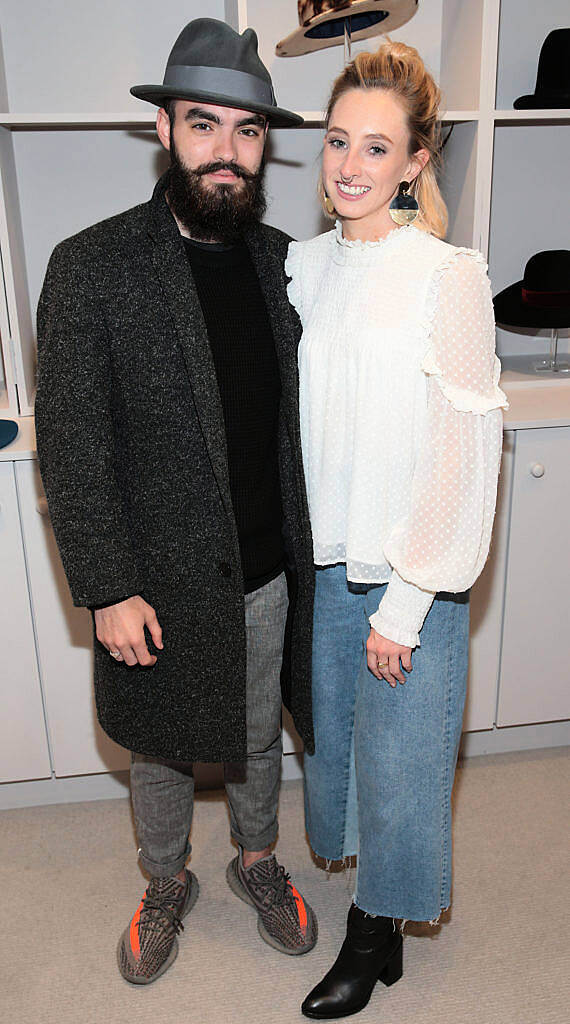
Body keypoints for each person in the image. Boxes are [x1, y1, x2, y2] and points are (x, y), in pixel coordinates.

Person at [35, 18, 318, 986]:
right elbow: (71, 446)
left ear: (264, 144)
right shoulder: (90, 268)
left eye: (247, 133)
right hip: (151, 581)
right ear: (165, 132)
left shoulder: (289, 264)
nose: (226, 153)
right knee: (157, 750)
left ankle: (256, 860)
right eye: (205, 126)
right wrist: (107, 586)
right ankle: (165, 882)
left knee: (254, 734)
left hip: (269, 564)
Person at [285, 40, 508, 1020]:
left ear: (416, 162)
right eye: (338, 142)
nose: (350, 167)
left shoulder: (446, 274)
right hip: (324, 565)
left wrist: (409, 602)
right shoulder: (299, 269)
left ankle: (373, 939)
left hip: (407, 568)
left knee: (404, 767)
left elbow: (462, 450)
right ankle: (376, 914)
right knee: (338, 750)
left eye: (377, 149)